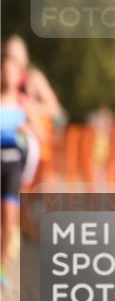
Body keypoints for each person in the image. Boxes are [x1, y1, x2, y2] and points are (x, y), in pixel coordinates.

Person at [1, 51, 44, 286]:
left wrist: (25, 129)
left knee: (8, 221)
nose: (7, 75)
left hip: (13, 164)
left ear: (19, 77)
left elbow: (41, 133)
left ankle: (1, 267)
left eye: (11, 72)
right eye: (3, 71)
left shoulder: (23, 103)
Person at [2, 35, 63, 189]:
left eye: (15, 57)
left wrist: (27, 108)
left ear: (25, 58)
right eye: (8, 56)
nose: (11, 61)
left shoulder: (33, 79)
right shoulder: (4, 79)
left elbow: (54, 108)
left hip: (30, 142)